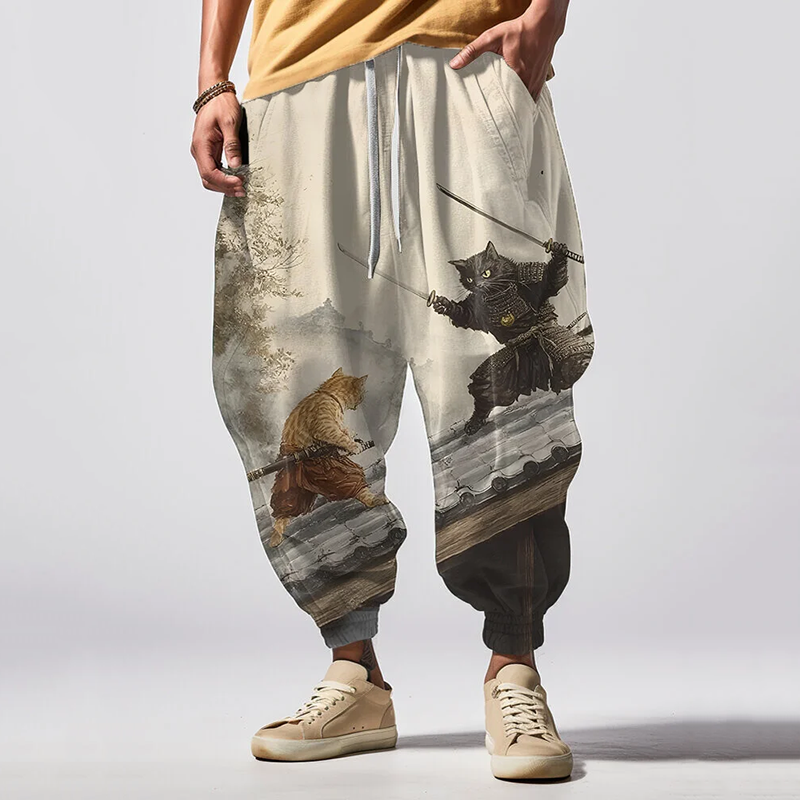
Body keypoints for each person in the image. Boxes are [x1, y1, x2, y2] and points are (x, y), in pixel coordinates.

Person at [191, 0, 592, 781]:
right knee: (297, 376)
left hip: (465, 55)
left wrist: (547, 16)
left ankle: (514, 667)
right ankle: (355, 672)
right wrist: (212, 79)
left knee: (508, 366)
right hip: (299, 71)